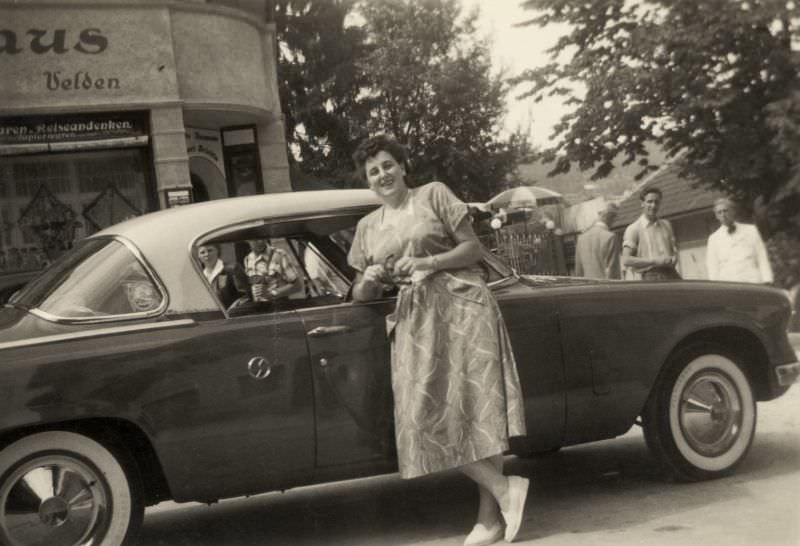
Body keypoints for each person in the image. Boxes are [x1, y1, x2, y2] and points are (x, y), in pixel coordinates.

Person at [348, 134, 529, 546]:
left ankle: (490, 520)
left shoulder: (434, 194)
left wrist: (428, 260)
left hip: (465, 306)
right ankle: (506, 490)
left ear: (403, 166)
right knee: (419, 419)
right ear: (368, 182)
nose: (382, 174)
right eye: (373, 171)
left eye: (388, 165)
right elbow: (361, 294)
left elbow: (473, 249)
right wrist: (371, 279)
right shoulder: (367, 228)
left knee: (478, 410)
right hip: (416, 320)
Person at [706, 197, 773, 284]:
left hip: (753, 281)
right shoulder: (713, 239)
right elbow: (712, 267)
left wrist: (767, 279)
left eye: (725, 210)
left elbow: (761, 256)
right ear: (716, 216)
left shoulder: (750, 230)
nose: (723, 215)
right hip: (729, 285)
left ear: (733, 211)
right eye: (719, 212)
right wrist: (717, 289)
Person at [621, 187, 680, 280]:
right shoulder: (634, 228)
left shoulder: (666, 225)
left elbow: (674, 251)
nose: (653, 205)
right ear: (642, 203)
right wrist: (654, 261)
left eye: (657, 202)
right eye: (649, 202)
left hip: (670, 273)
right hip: (649, 275)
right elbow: (626, 260)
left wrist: (673, 258)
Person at [243, 239, 298, 303]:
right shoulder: (247, 259)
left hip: (280, 307)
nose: (260, 241)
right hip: (259, 310)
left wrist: (271, 293)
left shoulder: (279, 254)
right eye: (255, 239)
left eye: (262, 237)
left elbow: (297, 286)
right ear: (247, 240)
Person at [574, 203, 620, 279]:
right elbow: (613, 271)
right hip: (605, 287)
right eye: (615, 218)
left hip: (587, 287)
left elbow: (578, 271)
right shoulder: (610, 237)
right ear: (611, 217)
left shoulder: (581, 238)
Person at [197, 243, 250, 308]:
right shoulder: (199, 276)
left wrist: (230, 311)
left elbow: (245, 297)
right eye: (202, 252)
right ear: (198, 256)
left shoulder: (233, 269)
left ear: (217, 251)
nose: (207, 254)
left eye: (210, 250)